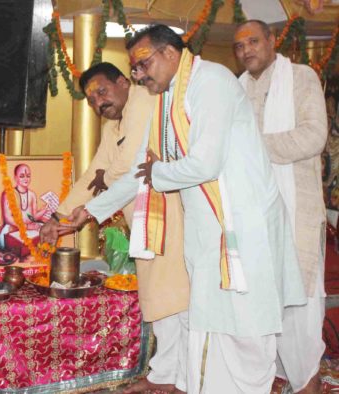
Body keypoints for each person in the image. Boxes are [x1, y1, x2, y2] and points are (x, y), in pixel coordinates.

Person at [58, 24, 307, 393]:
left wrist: (157, 171)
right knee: (211, 326)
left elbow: (204, 164)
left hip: (242, 224)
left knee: (246, 331)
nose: (138, 75)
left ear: (170, 54)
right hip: (208, 229)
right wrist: (90, 211)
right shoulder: (166, 99)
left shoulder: (212, 83)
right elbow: (139, 171)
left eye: (143, 64)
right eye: (135, 68)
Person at [42, 62, 189, 393]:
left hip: (166, 216)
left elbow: (126, 168)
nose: (97, 103)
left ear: (124, 82)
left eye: (102, 92)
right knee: (158, 298)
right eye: (91, 99)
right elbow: (95, 172)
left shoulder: (143, 103)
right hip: (143, 220)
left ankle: (180, 379)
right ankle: (165, 374)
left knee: (174, 298)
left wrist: (101, 184)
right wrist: (58, 216)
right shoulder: (113, 128)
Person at [234, 20, 328, 394]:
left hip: (295, 207)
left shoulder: (301, 78)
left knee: (299, 297)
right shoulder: (237, 89)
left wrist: (253, 146)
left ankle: (308, 377)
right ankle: (275, 371)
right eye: (239, 47)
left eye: (254, 42)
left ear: (272, 41)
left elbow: (313, 136)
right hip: (253, 210)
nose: (246, 51)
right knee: (261, 294)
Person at [0, 163, 51, 251]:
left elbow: (33, 217)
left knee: (47, 230)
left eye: (28, 175)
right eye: (22, 176)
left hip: (29, 230)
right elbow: (8, 218)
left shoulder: (32, 195)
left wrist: (43, 211)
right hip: (11, 230)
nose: (26, 178)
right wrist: (26, 226)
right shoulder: (8, 194)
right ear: (15, 178)